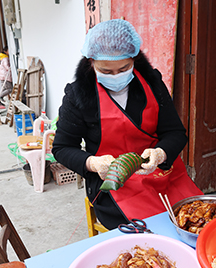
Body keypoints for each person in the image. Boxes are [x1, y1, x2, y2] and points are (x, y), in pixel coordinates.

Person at [52, 19, 202, 230]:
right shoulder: (78, 95)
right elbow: (62, 148)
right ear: (91, 61)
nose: (116, 76)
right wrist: (93, 163)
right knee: (153, 232)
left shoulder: (151, 82)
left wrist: (161, 153)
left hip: (160, 173)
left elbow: (175, 132)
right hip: (113, 182)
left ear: (134, 59)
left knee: (196, 218)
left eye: (124, 68)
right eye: (105, 71)